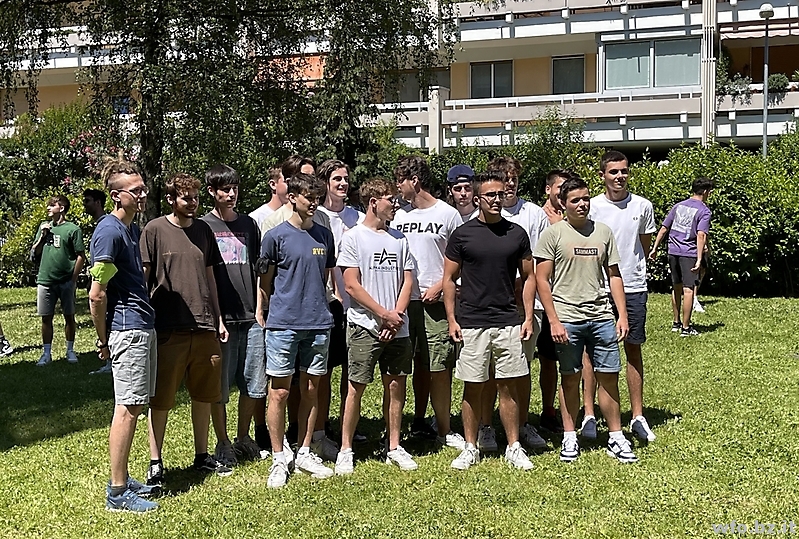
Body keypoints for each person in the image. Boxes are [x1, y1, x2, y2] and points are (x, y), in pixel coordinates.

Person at [534, 176, 638, 464]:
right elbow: (542, 280)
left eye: (585, 199)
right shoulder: (553, 235)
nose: (582, 204)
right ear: (563, 204)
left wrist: (622, 315)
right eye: (575, 200)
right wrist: (554, 320)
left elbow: (614, 275)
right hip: (568, 318)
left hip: (601, 316)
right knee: (570, 378)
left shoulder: (603, 232)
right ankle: (570, 436)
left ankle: (616, 435)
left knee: (609, 377)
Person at [140, 173, 232, 486]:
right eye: (185, 197)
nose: (192, 202)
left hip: (204, 326)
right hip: (169, 327)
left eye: (195, 197)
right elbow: (144, 278)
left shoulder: (204, 230)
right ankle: (155, 462)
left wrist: (218, 318)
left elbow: (210, 277)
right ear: (171, 199)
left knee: (204, 395)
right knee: (161, 398)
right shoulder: (154, 229)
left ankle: (202, 455)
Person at [444, 171, 537, 471]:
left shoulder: (516, 234)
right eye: (490, 195)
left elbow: (529, 276)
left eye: (500, 194)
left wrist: (527, 317)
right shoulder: (462, 235)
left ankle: (513, 446)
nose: (497, 199)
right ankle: (471, 447)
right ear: (477, 199)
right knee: (474, 386)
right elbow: (449, 279)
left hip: (508, 321)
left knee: (508, 386)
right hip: (472, 322)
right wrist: (452, 319)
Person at [88, 157, 159, 512]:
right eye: (135, 191)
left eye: (143, 189)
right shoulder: (109, 231)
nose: (142, 195)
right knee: (127, 408)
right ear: (117, 196)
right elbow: (96, 294)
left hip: (140, 325)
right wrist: (103, 340)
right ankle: (117, 492)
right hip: (127, 328)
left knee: (135, 405)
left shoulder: (129, 228)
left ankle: (124, 478)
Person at [258, 173, 337, 488]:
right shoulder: (274, 236)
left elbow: (326, 277)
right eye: (309, 197)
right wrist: (263, 311)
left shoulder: (324, 235)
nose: (314, 203)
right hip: (283, 324)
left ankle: (304, 450)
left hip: (318, 324)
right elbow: (265, 281)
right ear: (292, 197)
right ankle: (279, 456)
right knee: (279, 391)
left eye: (317, 198)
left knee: (311, 389)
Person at [334, 177, 417, 475]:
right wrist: (383, 314)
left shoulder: (399, 239)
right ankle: (346, 448)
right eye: (390, 200)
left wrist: (396, 316)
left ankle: (394, 446)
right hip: (364, 325)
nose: (395, 205)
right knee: (355, 387)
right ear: (373, 202)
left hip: (398, 326)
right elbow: (351, 285)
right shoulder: (353, 238)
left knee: (395, 385)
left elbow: (408, 280)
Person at [394, 156, 466, 449]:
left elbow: (461, 258)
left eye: (400, 180)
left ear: (415, 181)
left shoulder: (448, 214)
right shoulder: (399, 216)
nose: (397, 187)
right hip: (404, 303)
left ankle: (444, 429)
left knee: (438, 366)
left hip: (436, 302)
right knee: (409, 365)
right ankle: (417, 420)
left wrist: (440, 286)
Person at [587, 151, 657, 443]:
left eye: (624, 171)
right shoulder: (591, 207)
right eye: (613, 171)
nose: (619, 176)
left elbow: (643, 243)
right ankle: (589, 415)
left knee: (633, 348)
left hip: (633, 286)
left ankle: (637, 415)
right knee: (591, 352)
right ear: (602, 175)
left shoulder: (643, 206)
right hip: (598, 288)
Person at [201, 164, 267, 466]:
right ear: (212, 191)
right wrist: (216, 318)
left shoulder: (249, 224)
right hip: (222, 319)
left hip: (251, 317)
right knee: (220, 387)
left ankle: (243, 437)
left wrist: (259, 309)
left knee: (254, 383)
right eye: (225, 189)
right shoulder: (203, 227)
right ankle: (223, 442)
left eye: (234, 188)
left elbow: (259, 269)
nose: (231, 194)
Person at [482, 156, 548, 452]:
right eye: (504, 179)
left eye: (513, 179)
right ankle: (485, 426)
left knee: (521, 367)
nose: (509, 185)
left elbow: (540, 262)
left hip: (525, 306)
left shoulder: (533, 214)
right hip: (489, 306)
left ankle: (522, 423)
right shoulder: (480, 216)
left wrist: (528, 304)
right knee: (487, 370)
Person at [316, 158, 366, 453]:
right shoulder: (317, 216)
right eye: (337, 179)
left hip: (355, 305)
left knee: (352, 369)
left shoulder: (358, 218)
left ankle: (350, 425)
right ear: (325, 183)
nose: (343, 184)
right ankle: (321, 425)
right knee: (323, 370)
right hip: (327, 303)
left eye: (346, 179)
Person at [649, 177, 714, 337]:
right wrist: (699, 258)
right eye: (710, 191)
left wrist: (654, 248)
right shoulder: (704, 211)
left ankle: (676, 323)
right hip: (688, 253)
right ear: (705, 191)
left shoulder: (678, 206)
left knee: (676, 286)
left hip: (673, 251)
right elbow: (701, 235)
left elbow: (664, 228)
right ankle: (686, 328)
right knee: (688, 290)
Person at [31, 194, 85, 366]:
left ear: (61, 208)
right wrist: (42, 236)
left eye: (52, 205)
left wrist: (73, 279)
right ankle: (46, 353)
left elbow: (81, 256)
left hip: (65, 281)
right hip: (45, 280)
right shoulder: (44, 227)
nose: (48, 208)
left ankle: (70, 350)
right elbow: (35, 253)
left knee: (69, 316)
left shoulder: (73, 229)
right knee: (46, 317)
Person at [536, 169, 571, 434]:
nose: (563, 193)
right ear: (548, 189)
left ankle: (578, 411)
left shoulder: (575, 217)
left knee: (576, 360)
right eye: (560, 188)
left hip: (572, 298)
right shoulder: (538, 217)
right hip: (545, 299)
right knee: (547, 359)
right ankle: (548, 410)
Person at [83, 188, 114, 375]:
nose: (84, 205)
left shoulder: (107, 228)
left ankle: (110, 359)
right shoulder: (103, 225)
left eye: (87, 201)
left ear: (98, 202)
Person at [249, 166, 288, 238]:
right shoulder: (256, 218)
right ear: (273, 184)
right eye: (286, 182)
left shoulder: (297, 216)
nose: (292, 186)